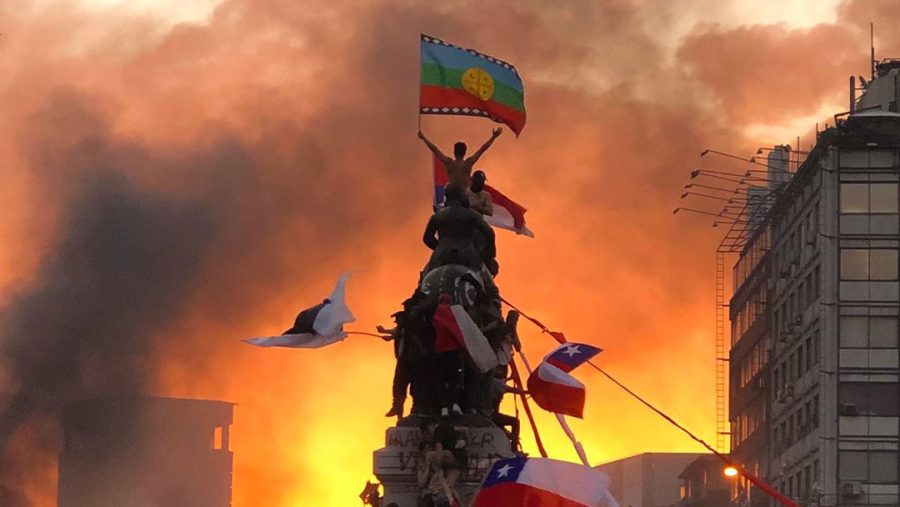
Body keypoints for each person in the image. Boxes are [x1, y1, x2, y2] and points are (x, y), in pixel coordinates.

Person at [422, 184, 496, 274]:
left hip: (442, 255)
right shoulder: (472, 215)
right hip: (468, 255)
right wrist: (489, 253)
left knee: (425, 278)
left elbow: (427, 238)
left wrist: (439, 247)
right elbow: (489, 232)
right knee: (488, 284)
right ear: (462, 197)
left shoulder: (437, 216)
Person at [418, 128, 502, 190]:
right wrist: (493, 137)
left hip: (452, 195)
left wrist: (423, 138)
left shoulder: (449, 163)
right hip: (464, 195)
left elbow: (434, 149)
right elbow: (482, 149)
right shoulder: (468, 163)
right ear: (465, 152)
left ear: (454, 151)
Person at [489, 365, 526, 452]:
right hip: (493, 414)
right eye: (499, 370)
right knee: (515, 421)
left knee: (505, 431)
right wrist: (530, 392)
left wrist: (510, 378)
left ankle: (511, 443)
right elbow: (515, 390)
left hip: (491, 412)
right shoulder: (497, 384)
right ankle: (514, 448)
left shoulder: (492, 381)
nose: (501, 372)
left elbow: (502, 382)